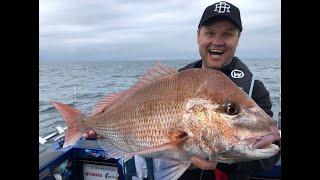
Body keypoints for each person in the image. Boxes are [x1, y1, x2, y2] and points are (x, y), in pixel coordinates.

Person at [84, 1, 280, 179]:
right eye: (210, 33)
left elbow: (270, 155)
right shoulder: (173, 81)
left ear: (238, 38)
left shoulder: (255, 90)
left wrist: (221, 163)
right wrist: (102, 128)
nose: (218, 42)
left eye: (228, 34)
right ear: (198, 36)